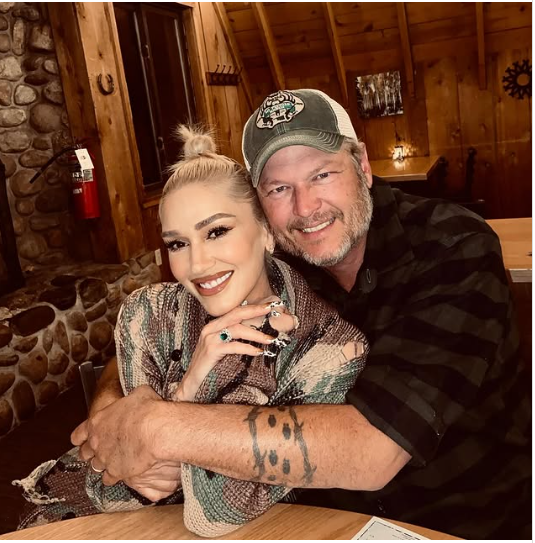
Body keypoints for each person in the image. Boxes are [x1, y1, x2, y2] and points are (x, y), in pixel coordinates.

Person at [72, 90, 531, 540]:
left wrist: (157, 426)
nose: (305, 207)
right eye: (279, 188)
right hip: (308, 523)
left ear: (362, 165)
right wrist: (114, 409)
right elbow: (164, 323)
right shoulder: (278, 256)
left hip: (459, 523)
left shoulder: (453, 248)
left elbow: (372, 451)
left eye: (322, 175)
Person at [14, 125, 368, 537]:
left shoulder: (331, 349)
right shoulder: (148, 312)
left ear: (266, 232)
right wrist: (191, 383)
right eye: (177, 244)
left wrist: (185, 404)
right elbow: (119, 481)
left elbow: (214, 513)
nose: (197, 265)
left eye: (216, 232)